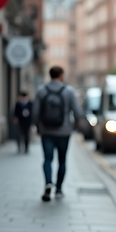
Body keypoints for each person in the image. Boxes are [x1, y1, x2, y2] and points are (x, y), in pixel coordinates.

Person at [32, 66, 84, 202]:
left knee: (47, 159)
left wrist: (38, 126)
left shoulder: (41, 91)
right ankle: (59, 189)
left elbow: (35, 112)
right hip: (64, 131)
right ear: (61, 75)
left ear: (50, 75)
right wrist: (76, 124)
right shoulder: (69, 91)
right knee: (62, 160)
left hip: (46, 130)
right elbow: (78, 112)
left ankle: (48, 182)